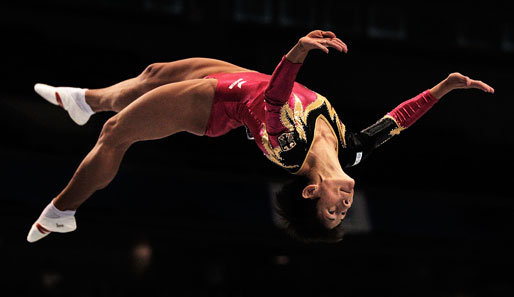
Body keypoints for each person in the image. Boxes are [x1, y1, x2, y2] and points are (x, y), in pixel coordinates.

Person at [27, 30, 494, 243]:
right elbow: (397, 120)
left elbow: (273, 102)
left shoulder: (287, 149)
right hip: (243, 80)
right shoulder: (350, 153)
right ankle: (83, 101)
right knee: (152, 73)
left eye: (332, 211)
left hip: (214, 105)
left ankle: (61, 212)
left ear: (311, 191)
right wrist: (444, 88)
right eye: (344, 214)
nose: (344, 207)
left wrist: (297, 54)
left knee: (117, 134)